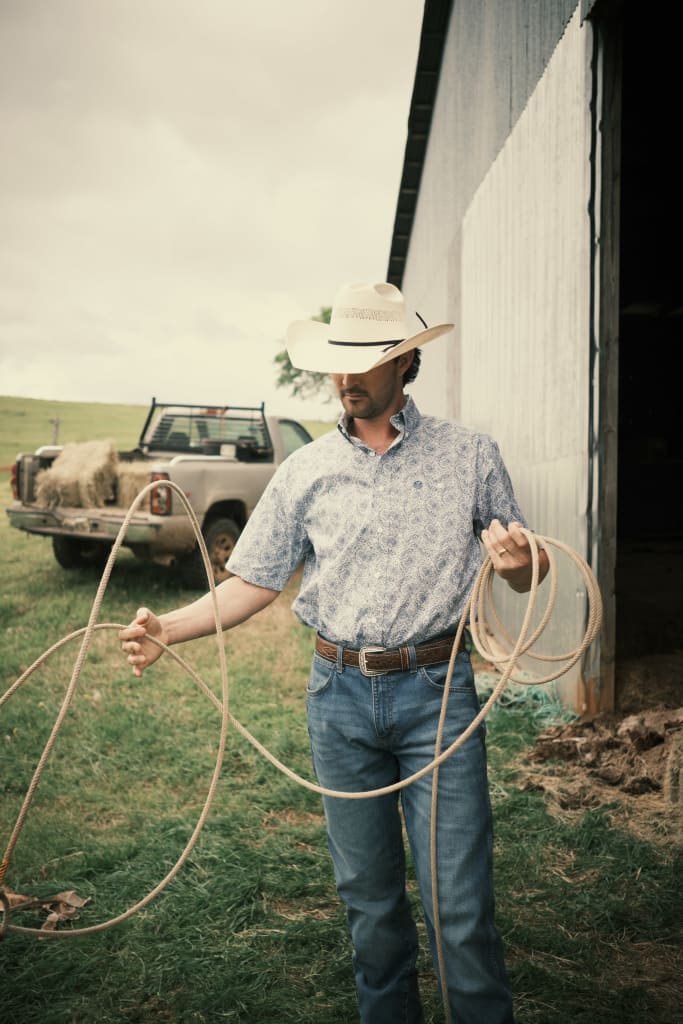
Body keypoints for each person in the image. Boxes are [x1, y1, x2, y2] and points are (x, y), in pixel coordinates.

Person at [120, 281, 549, 1024]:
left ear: (404, 364)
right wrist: (170, 630)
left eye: (364, 362)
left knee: (459, 904)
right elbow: (249, 583)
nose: (346, 380)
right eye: (336, 365)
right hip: (338, 701)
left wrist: (515, 564)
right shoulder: (305, 471)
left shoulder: (471, 456)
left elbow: (525, 566)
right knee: (370, 905)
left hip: (436, 696)